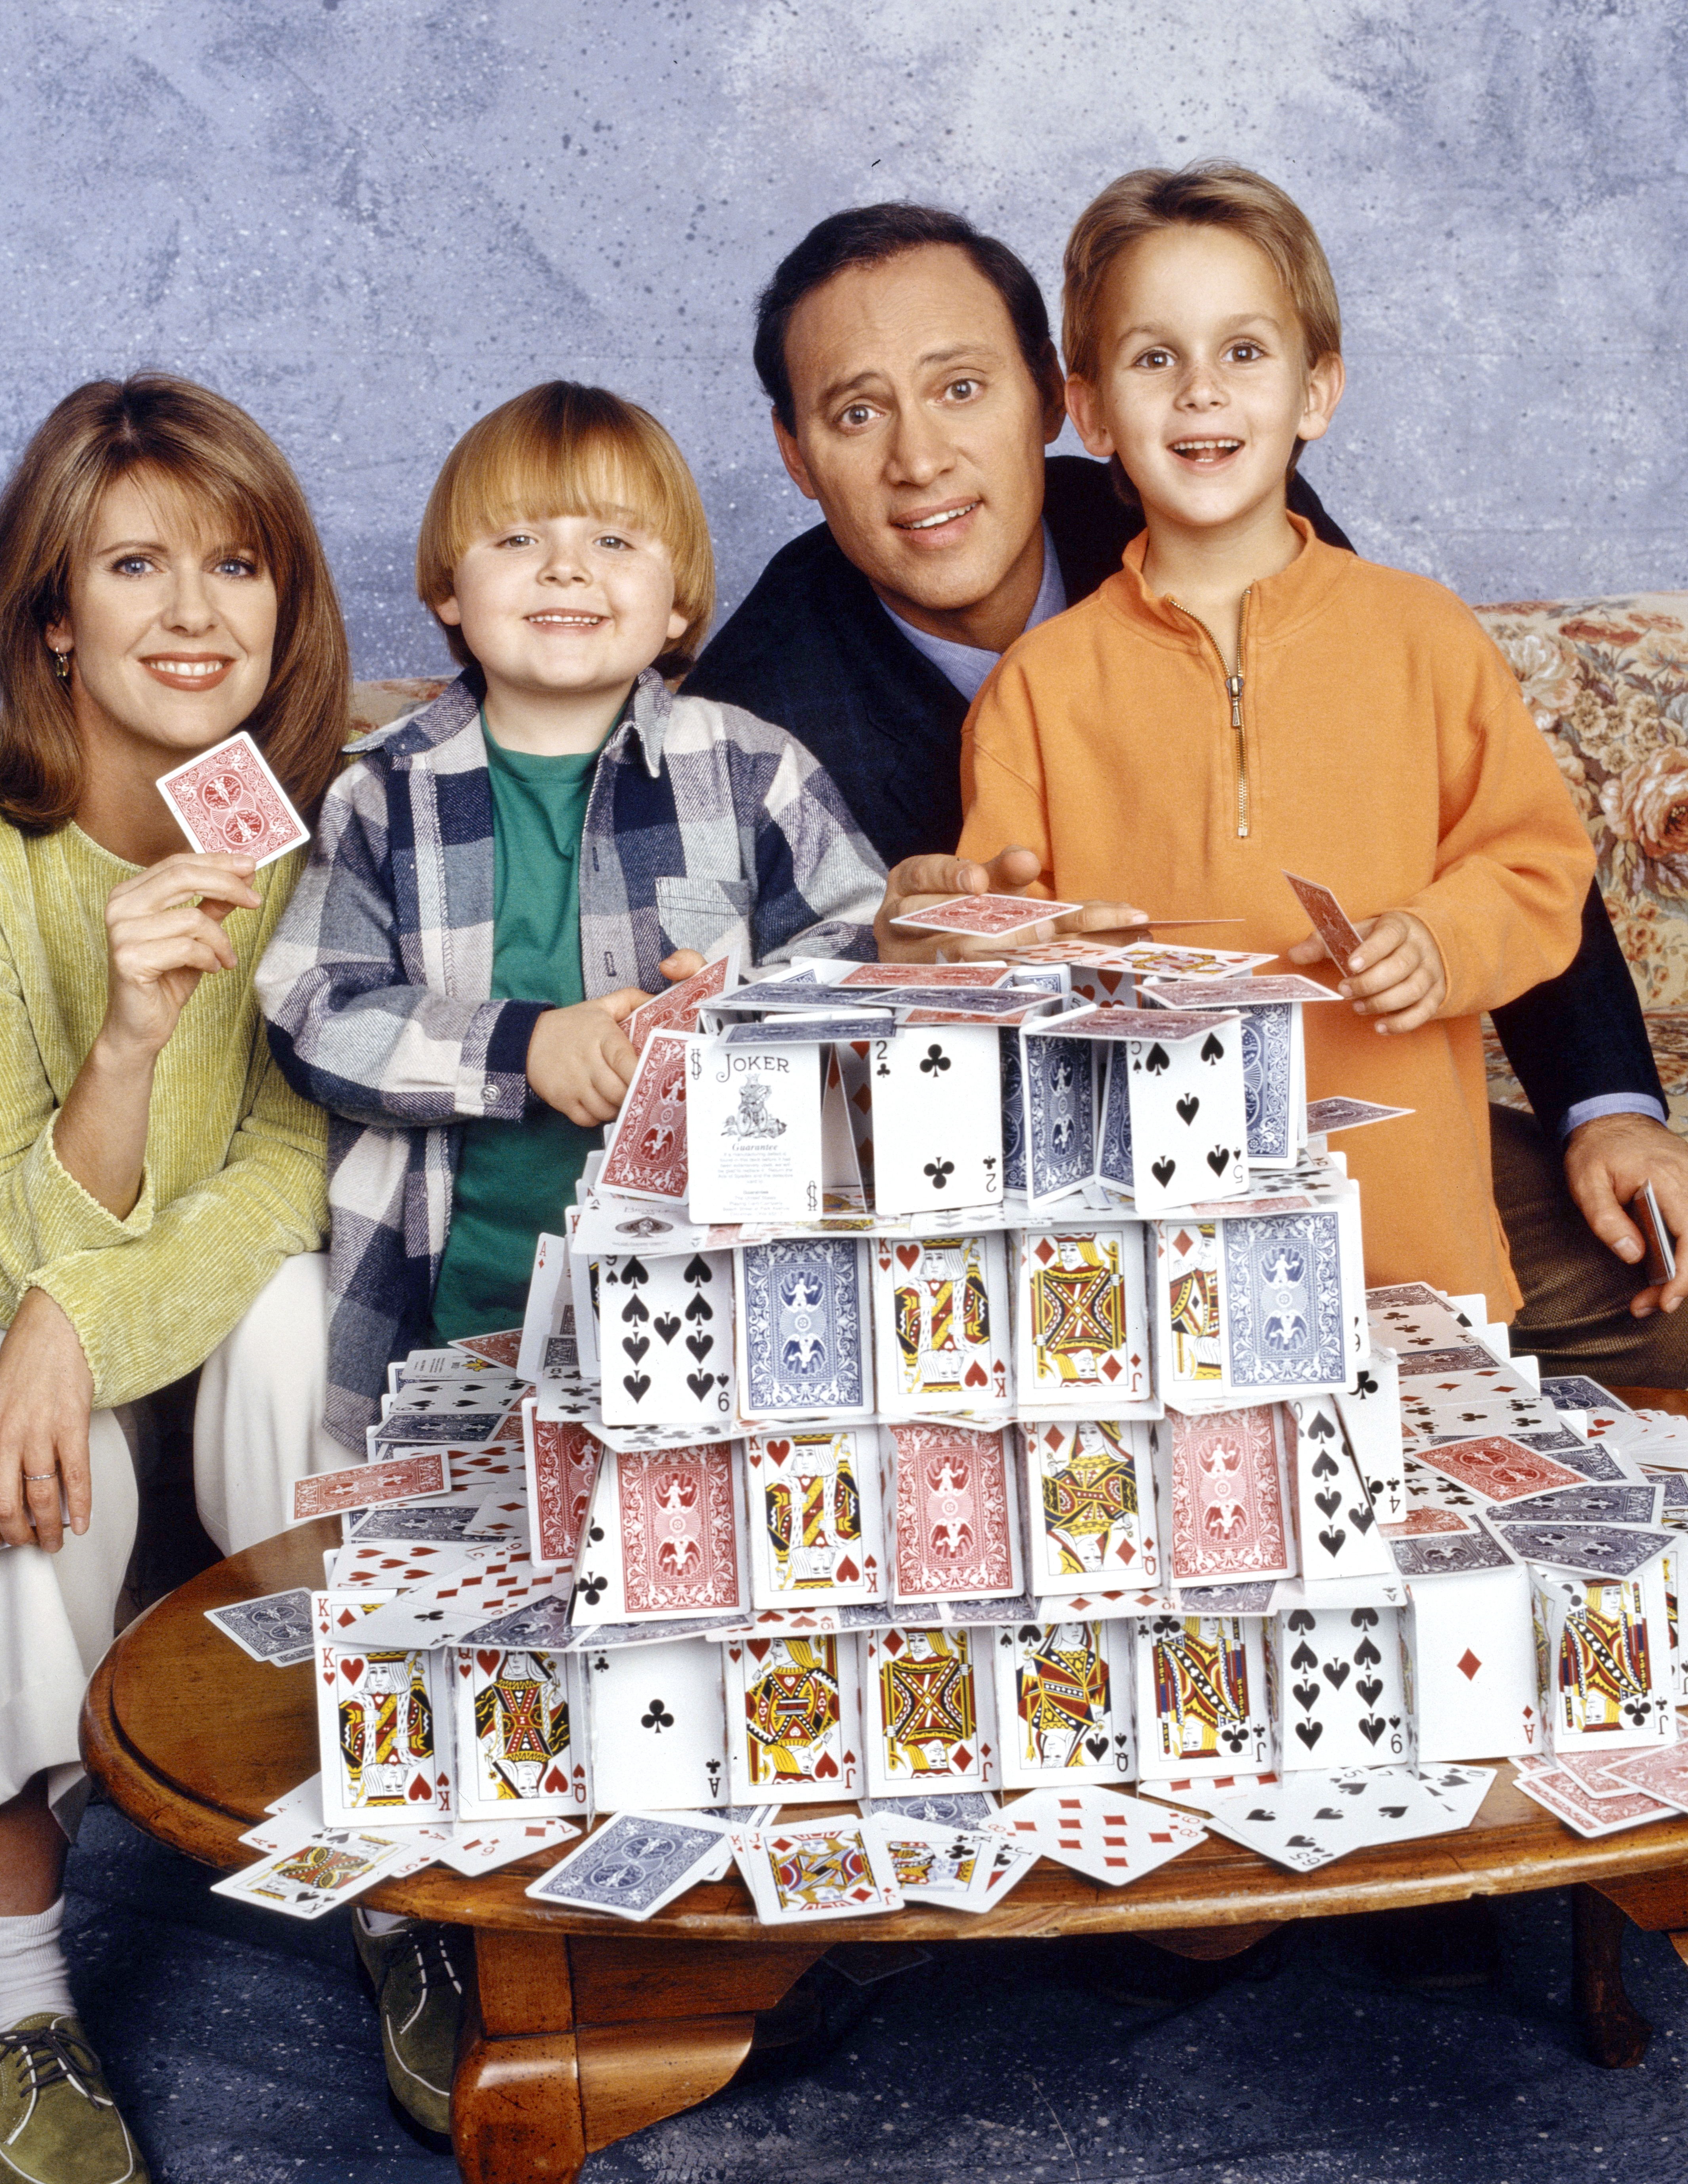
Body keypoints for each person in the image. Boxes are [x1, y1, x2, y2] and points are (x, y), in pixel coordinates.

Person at [687, 202, 1688, 1376]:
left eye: (962, 388)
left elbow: (1480, 822)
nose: (919, 459)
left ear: (1057, 403)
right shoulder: (746, 714)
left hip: (1381, 1144)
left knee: (1653, 1278)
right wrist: (890, 964)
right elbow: (741, 1063)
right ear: (796, 456)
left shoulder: (1211, 495)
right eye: (857, 413)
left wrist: (1611, 1104)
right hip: (1090, 1199)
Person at [255, 378, 887, 2121]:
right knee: (481, 1633)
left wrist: (734, 1017)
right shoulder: (378, 794)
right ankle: (456, 1930)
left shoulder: (756, 774)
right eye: (519, 538)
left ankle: (705, 1929)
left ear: (679, 594)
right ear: (446, 592)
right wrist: (524, 1045)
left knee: (683, 1614)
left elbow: (862, 969)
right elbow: (309, 1008)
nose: (566, 569)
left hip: (701, 1315)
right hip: (446, 1305)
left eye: (614, 539)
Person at [0, 375, 354, 2184]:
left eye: (237, 563)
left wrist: (94, 1320)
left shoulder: (311, 834)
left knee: (306, 1315)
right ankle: (15, 1990)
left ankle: (385, 1879)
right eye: (133, 565)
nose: (196, 612)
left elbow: (296, 1165)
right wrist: (133, 1041)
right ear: (54, 614)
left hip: (208, 1275)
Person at [952, 161, 1595, 1316]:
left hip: (1416, 1248)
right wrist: (1008, 940)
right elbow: (1005, 950)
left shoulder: (1424, 635)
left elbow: (1541, 867)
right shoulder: (1037, 690)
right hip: (1153, 1265)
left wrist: (1444, 941)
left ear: (1316, 392)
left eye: (1244, 351)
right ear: (1091, 410)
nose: (1202, 391)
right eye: (1157, 358)